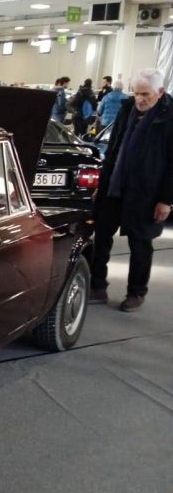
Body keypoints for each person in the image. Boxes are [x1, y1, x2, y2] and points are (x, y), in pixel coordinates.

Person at [89, 68, 173, 313]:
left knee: (140, 244)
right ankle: (97, 286)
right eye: (136, 93)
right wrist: (102, 185)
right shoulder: (127, 109)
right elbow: (113, 150)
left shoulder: (169, 118)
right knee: (101, 237)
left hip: (146, 193)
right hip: (115, 186)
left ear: (160, 92)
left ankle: (136, 292)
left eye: (146, 94)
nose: (140, 99)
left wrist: (166, 200)